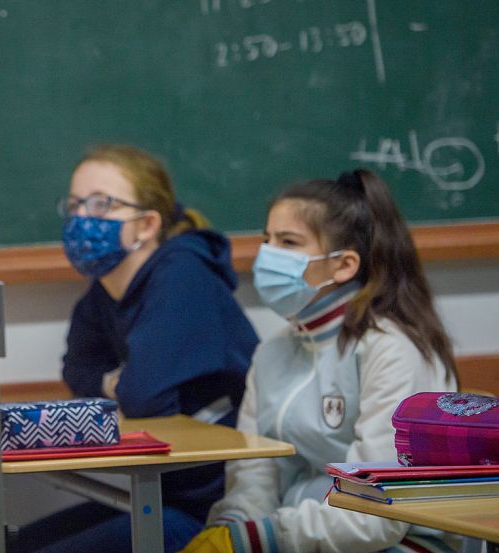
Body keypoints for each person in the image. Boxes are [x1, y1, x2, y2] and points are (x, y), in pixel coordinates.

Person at [179, 169, 459, 553]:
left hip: (400, 543)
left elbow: (377, 511)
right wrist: (232, 529)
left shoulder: (391, 349)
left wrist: (256, 540)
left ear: (344, 265)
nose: (269, 255)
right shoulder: (272, 352)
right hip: (304, 540)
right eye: (267, 240)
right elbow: (253, 482)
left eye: (289, 242)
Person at [16, 144, 259, 553]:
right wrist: (117, 383)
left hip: (214, 509)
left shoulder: (182, 273)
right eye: (75, 205)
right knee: (17, 543)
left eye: (101, 205)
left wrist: (120, 386)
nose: (81, 219)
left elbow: (142, 397)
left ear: (146, 224)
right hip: (161, 495)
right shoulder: (105, 289)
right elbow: (77, 371)